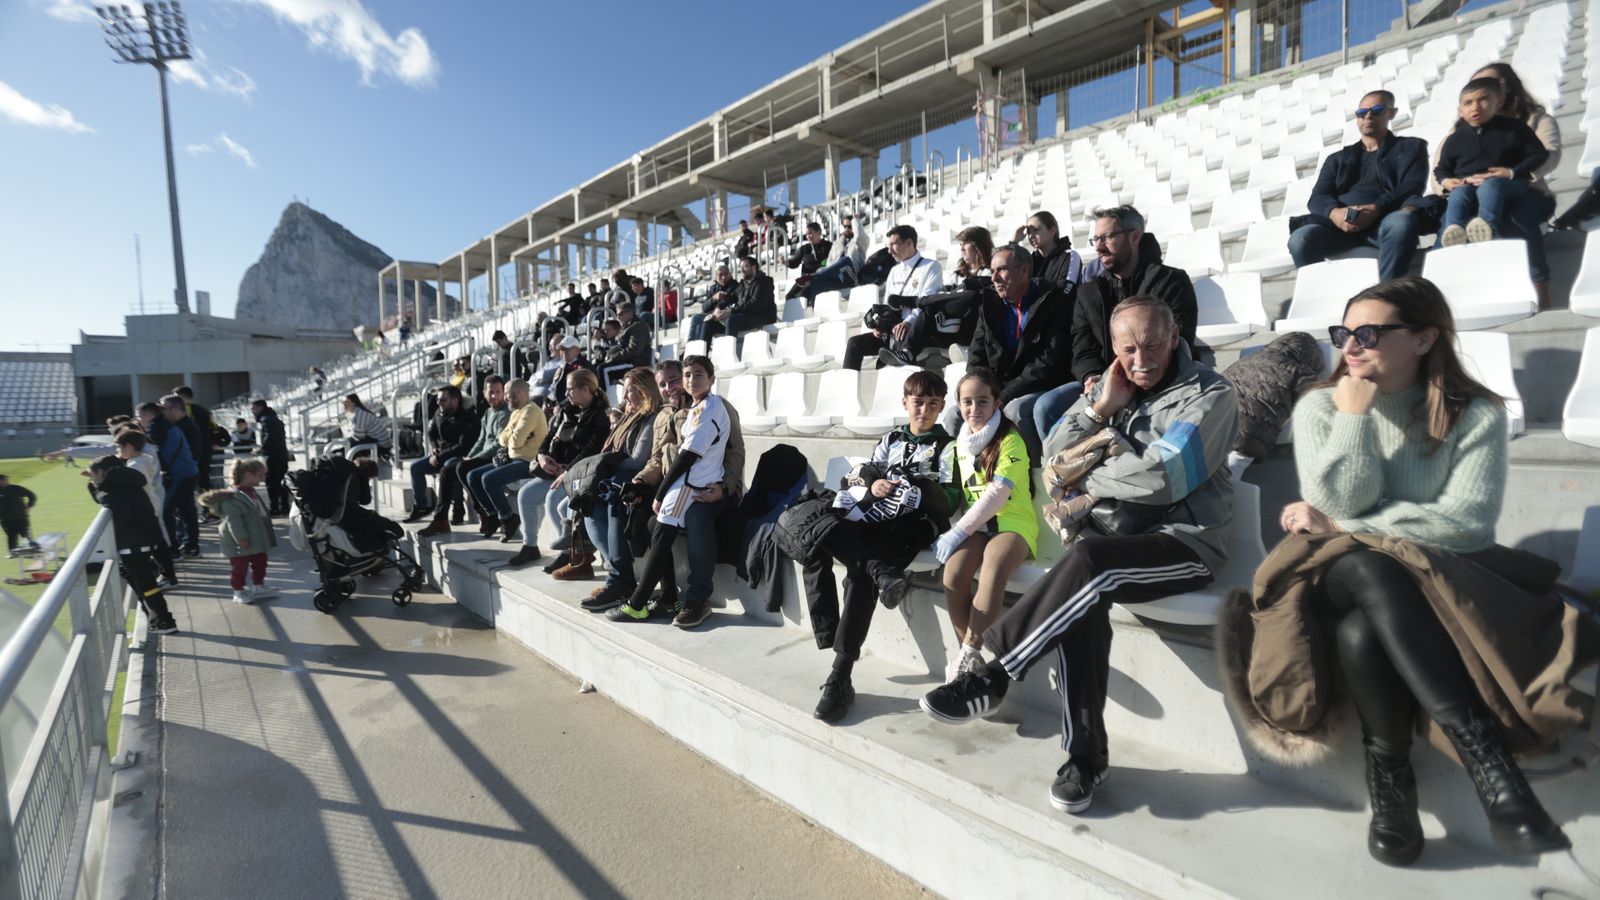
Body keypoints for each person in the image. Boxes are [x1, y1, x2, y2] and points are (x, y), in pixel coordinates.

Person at [1243, 276, 1573, 863]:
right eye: (1343, 333)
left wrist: (1347, 525)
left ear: (1424, 338)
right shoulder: (1321, 406)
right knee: (1369, 567)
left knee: (1362, 628)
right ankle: (1490, 765)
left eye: (1369, 333)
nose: (1351, 346)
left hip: (1432, 577)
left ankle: (1389, 777)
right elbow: (1341, 501)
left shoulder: (1475, 414)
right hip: (1333, 575)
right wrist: (1354, 418)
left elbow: (1466, 524)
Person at [921, 297, 1238, 816]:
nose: (1141, 359)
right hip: (1110, 538)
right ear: (1113, 348)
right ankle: (1084, 760)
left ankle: (993, 677)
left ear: (1175, 337)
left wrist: (1084, 477)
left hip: (1186, 542)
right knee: (1083, 588)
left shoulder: (1210, 393)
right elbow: (1053, 452)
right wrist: (1098, 409)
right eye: (1128, 348)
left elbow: (1165, 475)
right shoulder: (1112, 387)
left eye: (1152, 344)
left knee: (1090, 565)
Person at [805, 370, 956, 723]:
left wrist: (919, 487)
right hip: (875, 518)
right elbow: (864, 475)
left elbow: (950, 500)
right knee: (818, 527)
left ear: (941, 407)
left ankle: (840, 674)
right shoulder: (891, 439)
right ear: (905, 403)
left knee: (860, 575)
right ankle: (882, 572)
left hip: (915, 525)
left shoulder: (947, 446)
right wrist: (873, 486)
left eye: (933, 404)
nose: (924, 410)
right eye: (918, 402)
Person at [923, 367, 1036, 685]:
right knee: (953, 574)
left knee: (993, 566)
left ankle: (969, 652)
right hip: (978, 528)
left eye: (983, 401)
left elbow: (998, 493)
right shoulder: (959, 444)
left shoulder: (1012, 441)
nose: (974, 409)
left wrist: (958, 531)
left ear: (997, 403)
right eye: (967, 402)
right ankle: (968, 657)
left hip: (1012, 524)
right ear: (959, 405)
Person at [607, 355, 729, 628]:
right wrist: (641, 482)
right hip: (682, 482)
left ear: (711, 379)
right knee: (650, 524)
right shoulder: (671, 412)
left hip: (702, 485)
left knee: (688, 520)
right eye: (686, 376)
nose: (675, 385)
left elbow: (724, 454)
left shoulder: (713, 407)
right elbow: (658, 458)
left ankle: (687, 600)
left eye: (677, 379)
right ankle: (667, 598)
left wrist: (724, 488)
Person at [1068, 206, 1199, 441]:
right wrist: (1091, 375)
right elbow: (1081, 346)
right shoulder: (1088, 292)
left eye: (1107, 237)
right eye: (1096, 239)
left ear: (1135, 236)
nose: (1099, 247)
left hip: (1156, 380)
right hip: (1102, 385)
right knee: (1044, 408)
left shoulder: (1172, 282)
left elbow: (1177, 342)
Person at [1286, 89, 1429, 281]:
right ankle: (1322, 292)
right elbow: (1318, 197)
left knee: (1401, 223)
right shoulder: (1338, 159)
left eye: (1377, 110)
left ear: (1392, 113)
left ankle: (1388, 293)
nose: (1368, 116)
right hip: (1340, 226)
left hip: (1384, 220)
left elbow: (1412, 185)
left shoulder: (1411, 147)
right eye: (1362, 113)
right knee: (1300, 239)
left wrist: (1377, 207)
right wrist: (1335, 214)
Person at [953, 244, 1077, 463]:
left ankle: (1033, 473)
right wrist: (980, 391)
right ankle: (976, 474)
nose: (994, 278)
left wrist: (1005, 394)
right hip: (999, 389)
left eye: (1002, 270)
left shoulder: (1053, 300)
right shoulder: (989, 304)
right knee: (954, 415)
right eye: (992, 271)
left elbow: (1049, 361)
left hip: (1042, 386)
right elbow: (977, 355)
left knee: (1016, 410)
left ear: (1024, 270)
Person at [1459, 63, 1562, 304]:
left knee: (1515, 216)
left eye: (1492, 83)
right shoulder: (1461, 131)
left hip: (1527, 192)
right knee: (1452, 219)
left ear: (1508, 87)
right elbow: (1440, 170)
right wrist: (1456, 183)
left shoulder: (1535, 119)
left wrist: (1512, 173)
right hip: (1476, 194)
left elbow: (1550, 154)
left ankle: (1538, 288)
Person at [550, 366, 661, 584]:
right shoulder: (630, 416)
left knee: (591, 504)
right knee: (583, 503)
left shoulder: (650, 418)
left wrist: (603, 469)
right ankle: (601, 566)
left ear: (644, 391)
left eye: (629, 390)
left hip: (634, 482)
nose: (625, 396)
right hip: (617, 478)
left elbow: (638, 460)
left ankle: (615, 573)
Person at [1432, 77, 1550, 261]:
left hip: (1508, 183)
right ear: (1460, 109)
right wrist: (1447, 181)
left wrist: (1511, 172)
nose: (1475, 108)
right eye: (1468, 103)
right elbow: (1442, 169)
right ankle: (1454, 229)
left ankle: (1486, 225)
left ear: (1498, 102)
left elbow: (1539, 154)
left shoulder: (1514, 128)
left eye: (1483, 100)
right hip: (1468, 185)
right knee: (1458, 193)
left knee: (1491, 185)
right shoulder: (1454, 139)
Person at [505, 369, 609, 555]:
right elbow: (549, 436)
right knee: (526, 495)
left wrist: (568, 471)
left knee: (553, 499)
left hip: (579, 474)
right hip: (555, 470)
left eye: (570, 389)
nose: (566, 393)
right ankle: (530, 546)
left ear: (586, 389)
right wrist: (542, 456)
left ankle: (570, 554)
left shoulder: (600, 416)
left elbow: (591, 451)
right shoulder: (567, 409)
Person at [86, 455, 179, 634]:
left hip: (133, 543)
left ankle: (164, 620)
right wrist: (95, 488)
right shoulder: (128, 481)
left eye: (93, 475)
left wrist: (111, 538)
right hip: (148, 536)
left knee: (145, 584)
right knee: (139, 578)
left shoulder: (113, 489)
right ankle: (158, 617)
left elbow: (121, 513)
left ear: (102, 472)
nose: (92, 479)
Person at [417, 375, 509, 535]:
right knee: (447, 471)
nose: (494, 396)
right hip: (483, 456)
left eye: (498, 392)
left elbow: (498, 443)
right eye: (490, 392)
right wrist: (471, 455)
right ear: (484, 393)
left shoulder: (505, 413)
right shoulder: (488, 412)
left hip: (497, 457)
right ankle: (440, 519)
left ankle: (484, 512)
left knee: (461, 467)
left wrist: (475, 457)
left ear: (503, 393)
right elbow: (481, 440)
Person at [842, 224, 943, 370]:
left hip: (916, 330)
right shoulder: (894, 271)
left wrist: (907, 322)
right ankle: (846, 385)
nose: (889, 251)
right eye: (888, 245)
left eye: (893, 244)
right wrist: (880, 325)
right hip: (893, 329)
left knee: (901, 336)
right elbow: (887, 305)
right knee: (854, 343)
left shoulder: (931, 267)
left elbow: (927, 302)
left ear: (909, 243)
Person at [465, 379, 550, 539]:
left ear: (517, 393)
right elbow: (502, 439)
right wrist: (513, 435)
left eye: (506, 393)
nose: (505, 397)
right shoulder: (517, 411)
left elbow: (515, 441)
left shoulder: (531, 410)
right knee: (472, 476)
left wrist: (513, 436)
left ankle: (507, 518)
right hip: (512, 460)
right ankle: (492, 515)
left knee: (488, 479)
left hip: (529, 462)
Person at [199, 459, 279, 605]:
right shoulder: (233, 498)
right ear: (248, 475)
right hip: (239, 541)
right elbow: (234, 521)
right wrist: (241, 538)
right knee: (239, 567)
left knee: (260, 561)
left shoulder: (250, 492)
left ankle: (258, 585)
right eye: (260, 476)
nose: (262, 479)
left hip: (254, 537)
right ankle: (238, 591)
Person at [403, 385, 480, 523]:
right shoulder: (439, 413)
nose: (439, 403)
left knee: (450, 467)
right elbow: (431, 434)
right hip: (441, 454)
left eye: (443, 400)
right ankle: (421, 506)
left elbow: (463, 446)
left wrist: (440, 456)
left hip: (461, 456)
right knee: (415, 468)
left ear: (455, 401)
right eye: (438, 400)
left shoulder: (468, 417)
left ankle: (458, 509)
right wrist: (434, 448)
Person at [113, 430, 176, 586]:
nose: (117, 451)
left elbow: (133, 485)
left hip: (145, 509)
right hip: (150, 506)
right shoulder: (143, 459)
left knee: (156, 545)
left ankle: (167, 576)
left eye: (119, 447)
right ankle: (167, 575)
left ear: (128, 447)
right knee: (157, 544)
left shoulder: (136, 464)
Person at [147, 397, 201, 557]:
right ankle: (190, 545)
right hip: (187, 471)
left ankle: (175, 548)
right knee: (186, 510)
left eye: (164, 408)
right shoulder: (180, 425)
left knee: (168, 510)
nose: (161, 412)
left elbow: (193, 451)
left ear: (175, 409)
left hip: (181, 473)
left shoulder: (181, 427)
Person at [702, 256, 776, 343]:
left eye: (745, 266)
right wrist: (718, 308)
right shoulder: (743, 285)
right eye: (741, 267)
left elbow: (754, 304)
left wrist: (731, 311)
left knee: (731, 321)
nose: (742, 270)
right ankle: (702, 352)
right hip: (745, 317)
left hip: (761, 317)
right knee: (708, 323)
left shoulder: (764, 282)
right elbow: (730, 298)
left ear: (754, 268)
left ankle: (730, 350)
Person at [1013, 210, 1084, 292]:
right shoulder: (1030, 261)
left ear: (1052, 230)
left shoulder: (1070, 256)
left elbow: (1067, 290)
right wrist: (1014, 243)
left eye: (1036, 230)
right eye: (1028, 232)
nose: (1031, 236)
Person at [597, 302, 653, 390]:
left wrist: (614, 357)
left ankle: (607, 397)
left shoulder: (638, 326)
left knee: (604, 370)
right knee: (598, 366)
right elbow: (619, 346)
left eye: (620, 314)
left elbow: (634, 349)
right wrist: (609, 354)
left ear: (630, 313)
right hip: (628, 360)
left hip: (636, 362)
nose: (618, 317)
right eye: (617, 315)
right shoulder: (626, 327)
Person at [251, 399, 291, 516]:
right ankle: (284, 506)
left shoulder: (267, 420)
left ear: (260, 408)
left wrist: (262, 448)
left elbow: (269, 437)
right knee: (279, 482)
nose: (253, 411)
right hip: (282, 455)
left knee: (272, 483)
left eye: (254, 408)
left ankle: (275, 507)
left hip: (273, 456)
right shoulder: (275, 419)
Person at [173, 385, 218, 489]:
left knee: (190, 482)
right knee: (204, 479)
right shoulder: (204, 411)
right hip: (205, 449)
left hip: (192, 451)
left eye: (176, 397)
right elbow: (214, 428)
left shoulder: (185, 411)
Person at [543, 336, 596, 417]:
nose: (564, 352)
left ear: (577, 350)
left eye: (567, 349)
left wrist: (561, 406)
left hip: (574, 409)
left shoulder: (584, 368)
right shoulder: (562, 367)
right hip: (558, 407)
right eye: (562, 349)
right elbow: (553, 388)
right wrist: (547, 401)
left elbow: (583, 394)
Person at [686, 264, 739, 343]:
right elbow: (704, 307)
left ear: (730, 274)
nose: (723, 277)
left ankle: (699, 346)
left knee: (700, 319)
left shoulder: (735, 286)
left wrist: (719, 303)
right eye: (720, 275)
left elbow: (728, 301)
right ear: (716, 277)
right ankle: (691, 345)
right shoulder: (713, 288)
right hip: (713, 316)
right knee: (696, 318)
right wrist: (714, 298)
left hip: (725, 317)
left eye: (726, 274)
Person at [784, 222, 833, 298]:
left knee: (804, 294)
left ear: (818, 232)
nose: (808, 236)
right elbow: (795, 262)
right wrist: (787, 262)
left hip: (821, 278)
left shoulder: (829, 246)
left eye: (810, 233)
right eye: (806, 234)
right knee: (789, 297)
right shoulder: (804, 249)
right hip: (805, 280)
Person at [0, 474, 38, 555]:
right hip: (6, 520)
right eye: (4, 480)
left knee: (27, 536)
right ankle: (12, 553)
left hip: (21, 518)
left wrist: (29, 506)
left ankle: (33, 551)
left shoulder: (16, 488)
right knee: (11, 538)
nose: (7, 481)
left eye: (6, 479)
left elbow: (32, 495)